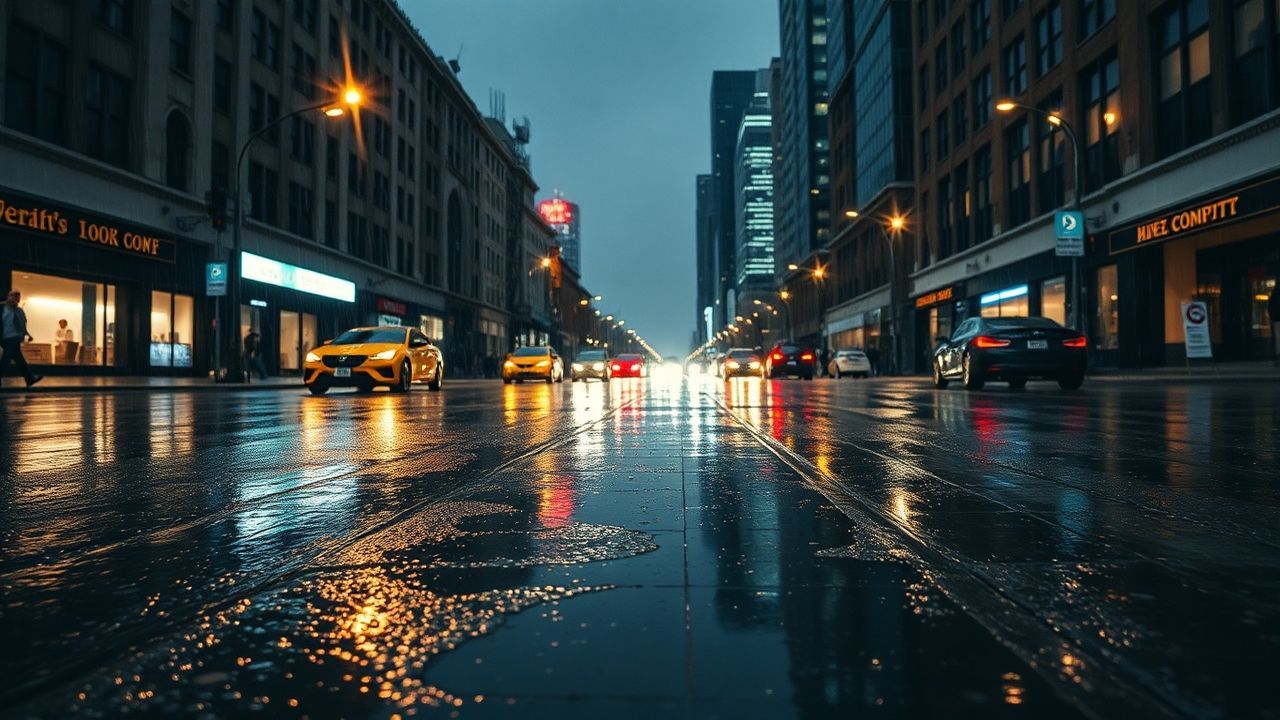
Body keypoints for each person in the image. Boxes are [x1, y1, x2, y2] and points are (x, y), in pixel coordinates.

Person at [1, 290, 42, 388]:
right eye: (14, 298)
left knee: (17, 359)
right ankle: (29, 378)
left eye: (17, 299)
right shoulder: (2, 308)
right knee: (7, 360)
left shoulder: (19, 311)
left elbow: (23, 324)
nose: (16, 301)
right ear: (8, 297)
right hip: (5, 337)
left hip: (14, 338)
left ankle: (29, 379)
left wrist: (27, 334)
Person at [1270, 286, 1280, 367]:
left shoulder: (1274, 294)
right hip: (1276, 318)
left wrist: (1272, 317)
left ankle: (1278, 357)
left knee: (1278, 338)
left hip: (1276, 319)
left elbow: (1271, 306)